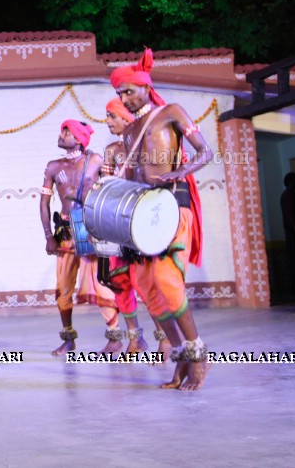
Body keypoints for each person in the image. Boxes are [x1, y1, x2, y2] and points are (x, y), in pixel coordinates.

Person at [111, 48, 212, 390]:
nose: (124, 98)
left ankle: (199, 354)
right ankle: (182, 357)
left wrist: (177, 173)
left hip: (172, 203)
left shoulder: (171, 112)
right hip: (143, 212)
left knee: (168, 283)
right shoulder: (130, 131)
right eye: (119, 93)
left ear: (144, 87)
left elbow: (206, 151)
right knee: (148, 290)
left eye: (128, 90)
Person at [39, 120, 121, 356]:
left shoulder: (95, 161)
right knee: (63, 287)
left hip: (91, 231)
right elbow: (44, 203)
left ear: (79, 138)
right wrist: (48, 236)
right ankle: (68, 338)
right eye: (62, 129)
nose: (61, 134)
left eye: (67, 131)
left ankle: (115, 337)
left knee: (100, 284)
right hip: (64, 232)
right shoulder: (53, 167)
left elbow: (111, 190)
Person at [101, 98, 162, 357]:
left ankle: (165, 339)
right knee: (120, 283)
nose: (108, 122)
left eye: (112, 116)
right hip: (118, 224)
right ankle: (136, 339)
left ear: (126, 117)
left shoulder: (146, 146)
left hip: (142, 224)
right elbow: (104, 186)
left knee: (145, 284)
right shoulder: (111, 150)